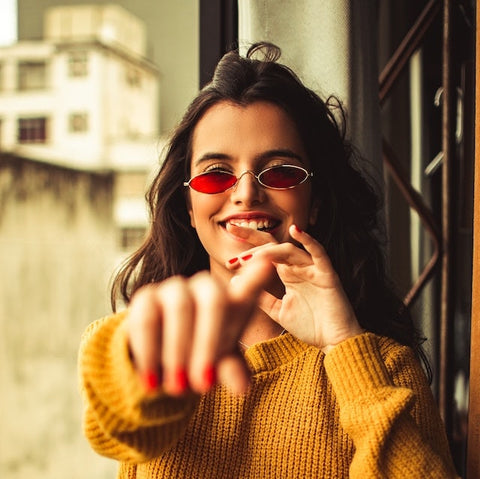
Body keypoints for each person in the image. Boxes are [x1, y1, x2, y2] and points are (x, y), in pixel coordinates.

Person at [79, 42, 458, 478]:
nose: (245, 193)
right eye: (215, 173)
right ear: (187, 205)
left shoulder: (386, 368)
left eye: (279, 171)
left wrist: (343, 346)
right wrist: (152, 352)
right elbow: (111, 421)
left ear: (313, 202)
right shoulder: (147, 340)